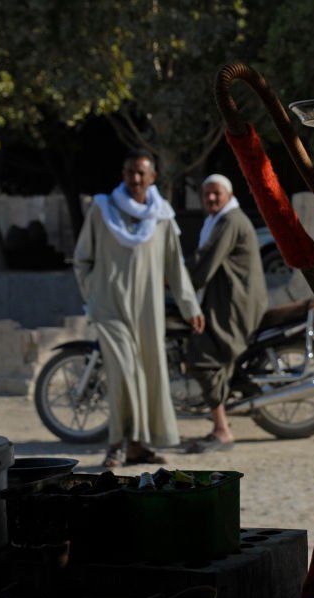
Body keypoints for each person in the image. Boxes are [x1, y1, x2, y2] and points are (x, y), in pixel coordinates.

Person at [73, 150, 205, 467]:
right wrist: (94, 294)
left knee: (147, 373)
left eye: (141, 173)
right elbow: (82, 259)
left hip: (147, 309)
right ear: (123, 173)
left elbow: (175, 267)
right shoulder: (101, 209)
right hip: (109, 307)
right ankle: (116, 443)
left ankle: (137, 445)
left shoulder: (162, 217)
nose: (135, 179)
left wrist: (190, 305)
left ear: (152, 177)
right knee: (123, 373)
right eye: (130, 172)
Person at [185, 174, 267, 452]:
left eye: (215, 193)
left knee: (202, 356)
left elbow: (204, 262)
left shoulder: (229, 221)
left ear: (228, 195)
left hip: (235, 304)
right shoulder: (219, 220)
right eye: (206, 193)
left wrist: (169, 274)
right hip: (227, 299)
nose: (210, 198)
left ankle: (222, 429)